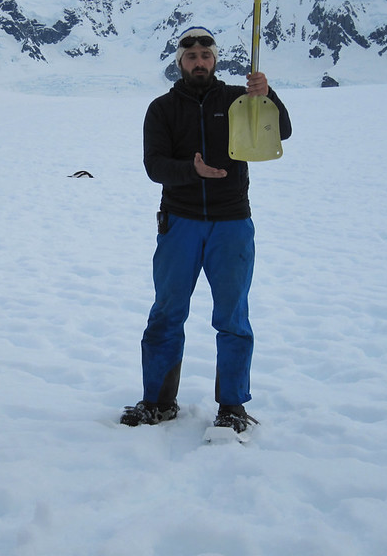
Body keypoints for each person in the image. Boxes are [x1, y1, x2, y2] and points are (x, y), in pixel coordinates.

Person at [121, 26, 292, 432]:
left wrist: (267, 95)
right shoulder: (162, 109)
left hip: (231, 222)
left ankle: (232, 407)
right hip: (179, 222)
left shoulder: (240, 99)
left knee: (233, 317)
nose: (199, 62)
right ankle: (159, 402)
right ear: (179, 62)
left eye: (206, 55)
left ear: (215, 60)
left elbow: (280, 131)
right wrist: (190, 170)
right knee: (166, 313)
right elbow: (154, 166)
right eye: (191, 56)